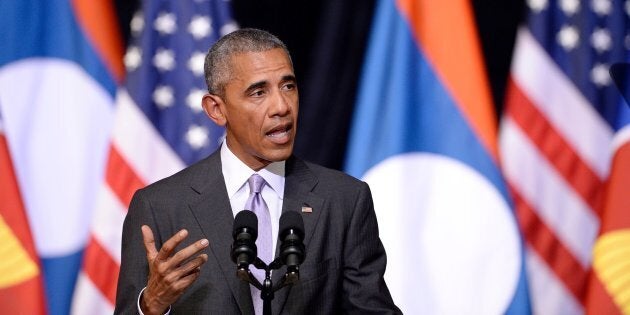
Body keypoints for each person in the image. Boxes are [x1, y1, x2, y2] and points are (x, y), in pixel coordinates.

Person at [114, 28, 401, 315]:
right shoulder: (160, 207)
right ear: (216, 109)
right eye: (259, 92)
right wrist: (151, 305)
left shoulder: (344, 200)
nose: (281, 106)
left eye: (288, 86)